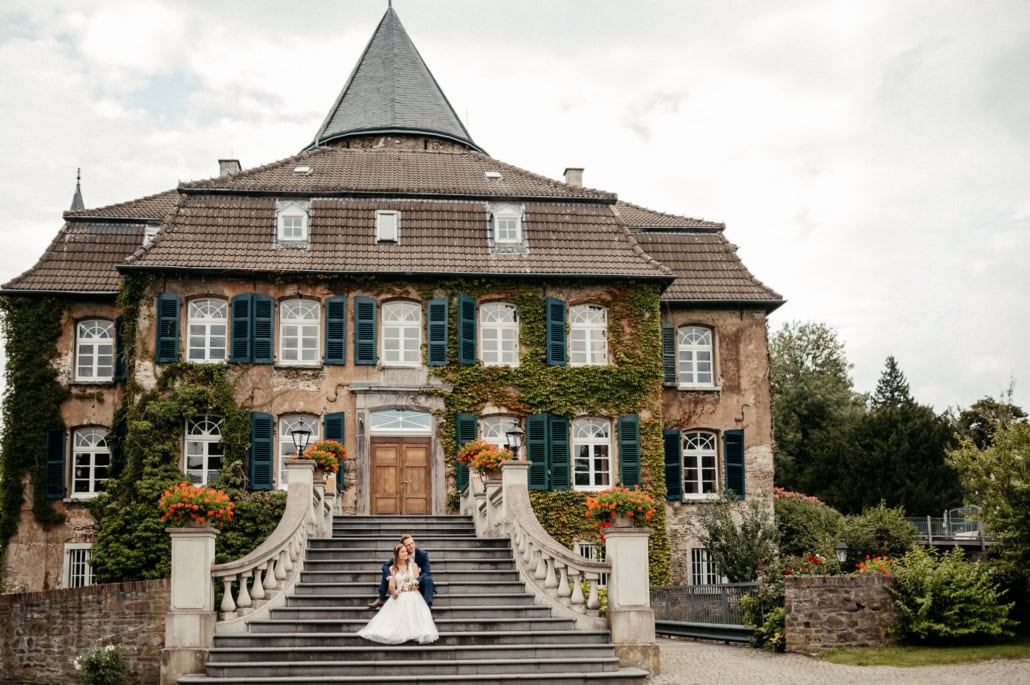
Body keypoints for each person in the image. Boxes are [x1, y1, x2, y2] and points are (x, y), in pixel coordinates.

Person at [357, 543, 439, 644]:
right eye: (403, 552)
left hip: (413, 594)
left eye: (406, 551)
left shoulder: (414, 566)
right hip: (399, 595)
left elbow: (417, 585)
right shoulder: (392, 569)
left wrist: (409, 587)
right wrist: (396, 592)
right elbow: (392, 589)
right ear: (397, 554)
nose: (406, 553)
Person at [369, 533, 435, 609]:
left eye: (412, 543)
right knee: (387, 572)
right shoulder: (401, 554)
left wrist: (416, 580)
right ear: (403, 546)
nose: (411, 546)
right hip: (403, 586)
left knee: (428, 579)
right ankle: (381, 598)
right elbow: (385, 566)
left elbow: (427, 572)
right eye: (408, 545)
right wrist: (390, 578)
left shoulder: (422, 554)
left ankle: (427, 608)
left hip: (419, 582)